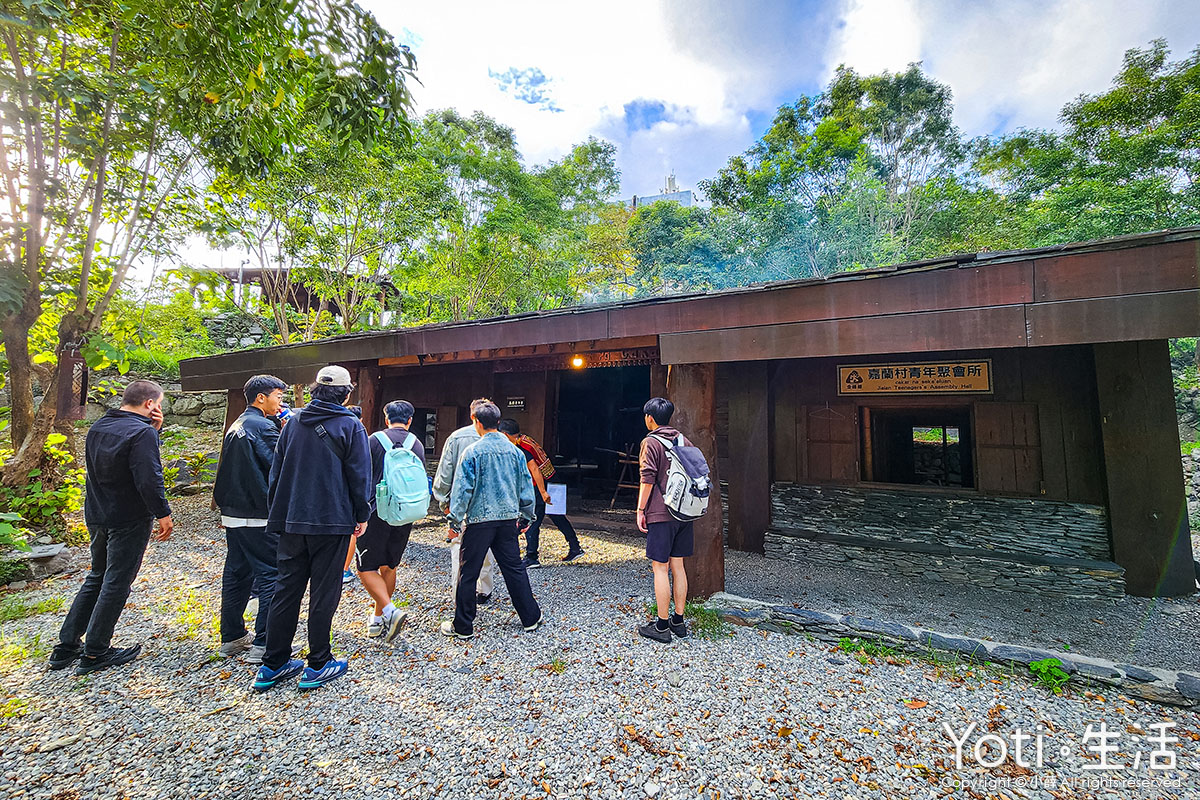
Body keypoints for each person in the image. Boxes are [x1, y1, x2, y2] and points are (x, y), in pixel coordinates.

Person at [253, 365, 372, 692]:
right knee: (324, 592)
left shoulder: (293, 423)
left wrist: (278, 512)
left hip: (292, 519)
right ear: (346, 394)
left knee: (286, 590)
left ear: (315, 389)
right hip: (332, 520)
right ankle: (318, 662)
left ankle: (272, 664)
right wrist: (362, 514)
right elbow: (360, 476)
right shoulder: (351, 425)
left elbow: (276, 472)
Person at [49, 380, 174, 675]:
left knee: (97, 576)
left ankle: (66, 646)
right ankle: (95, 651)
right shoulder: (141, 432)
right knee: (117, 581)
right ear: (150, 404)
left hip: (97, 512)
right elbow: (148, 476)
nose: (159, 409)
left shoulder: (99, 426)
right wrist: (163, 512)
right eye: (158, 404)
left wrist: (154, 430)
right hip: (128, 516)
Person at [442, 402, 542, 639]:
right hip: (508, 519)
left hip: (479, 520)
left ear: (476, 421)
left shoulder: (472, 452)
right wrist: (526, 516)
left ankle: (463, 626)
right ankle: (530, 618)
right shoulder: (515, 452)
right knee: (514, 569)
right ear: (498, 422)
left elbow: (462, 491)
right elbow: (526, 488)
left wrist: (454, 522)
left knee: (468, 573)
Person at [212, 374, 286, 664]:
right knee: (271, 574)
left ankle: (232, 636)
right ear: (261, 398)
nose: (280, 402)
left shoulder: (238, 424)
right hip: (259, 511)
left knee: (237, 573)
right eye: (278, 396)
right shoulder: (263, 427)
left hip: (234, 511)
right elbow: (280, 464)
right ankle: (265, 643)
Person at [356, 399, 425, 641]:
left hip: (376, 511)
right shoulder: (416, 443)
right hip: (405, 512)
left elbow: (361, 474)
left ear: (387, 419)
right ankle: (377, 618)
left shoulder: (374, 440)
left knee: (365, 567)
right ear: (410, 420)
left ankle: (389, 610)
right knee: (389, 566)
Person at [635, 397, 693, 644]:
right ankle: (678, 621)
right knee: (678, 566)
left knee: (660, 568)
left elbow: (647, 478)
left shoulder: (650, 442)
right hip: (684, 511)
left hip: (661, 512)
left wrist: (641, 509)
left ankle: (661, 626)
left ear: (649, 418)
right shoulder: (683, 440)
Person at [432, 398, 497, 604]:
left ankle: (459, 594)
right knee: (486, 548)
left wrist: (444, 502)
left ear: (472, 416)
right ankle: (484, 589)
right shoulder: (499, 439)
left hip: (461, 502)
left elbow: (445, 472)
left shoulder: (456, 437)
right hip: (491, 504)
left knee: (459, 549)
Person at [496, 419, 584, 567]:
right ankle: (575, 547)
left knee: (532, 518)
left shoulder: (521, 447)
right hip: (552, 478)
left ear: (505, 434)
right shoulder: (526, 440)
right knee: (556, 516)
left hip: (542, 484)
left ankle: (532, 557)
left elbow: (534, 469)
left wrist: (543, 492)